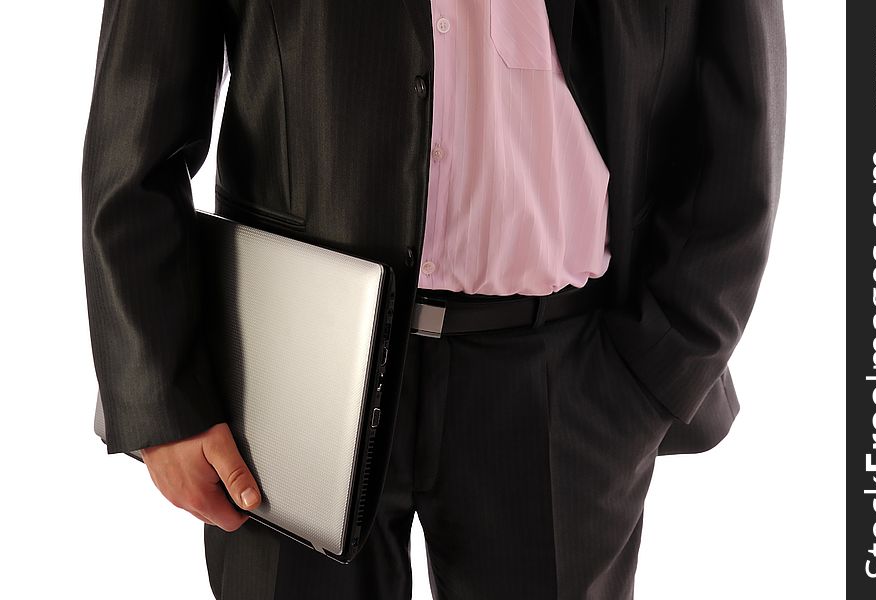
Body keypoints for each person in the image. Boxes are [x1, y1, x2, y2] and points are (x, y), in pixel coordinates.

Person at [81, 1, 787, 598]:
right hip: (289, 378)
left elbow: (736, 108)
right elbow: (134, 132)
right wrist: (161, 395)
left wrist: (654, 373)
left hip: (569, 389)